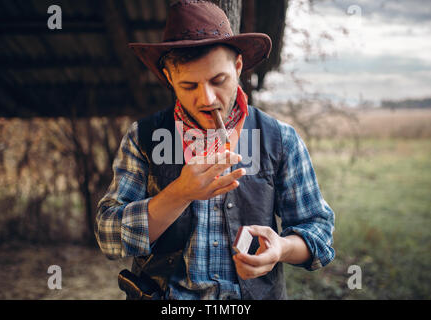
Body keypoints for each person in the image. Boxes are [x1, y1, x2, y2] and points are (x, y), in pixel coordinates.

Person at [95, 0, 335, 300]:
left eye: (217, 80)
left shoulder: (280, 139)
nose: (207, 98)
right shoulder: (143, 137)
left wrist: (281, 248)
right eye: (189, 86)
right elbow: (108, 236)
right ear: (169, 79)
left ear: (237, 67)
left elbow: (320, 235)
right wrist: (179, 193)